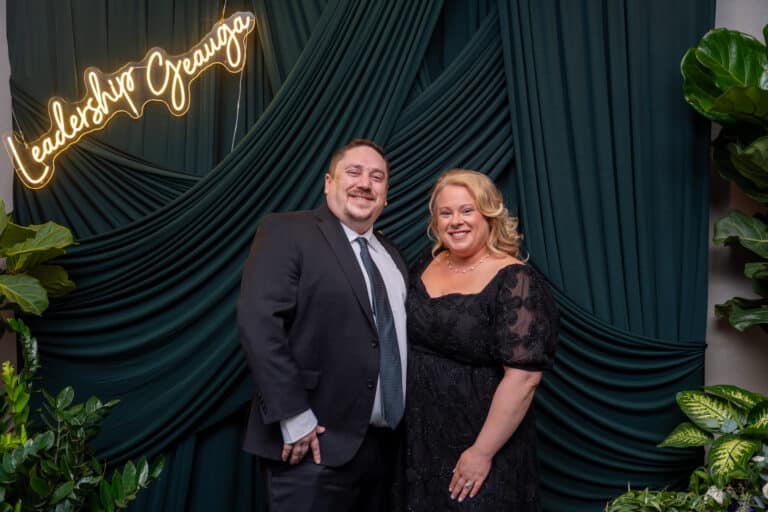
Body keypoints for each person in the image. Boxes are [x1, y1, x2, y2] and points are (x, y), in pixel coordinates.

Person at [237, 139, 408, 512]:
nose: (365, 184)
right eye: (354, 172)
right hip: (311, 444)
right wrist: (294, 417)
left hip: (383, 453)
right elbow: (260, 324)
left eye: (377, 177)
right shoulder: (287, 231)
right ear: (329, 183)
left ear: (385, 196)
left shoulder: (392, 255)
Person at [404, 169, 558, 511]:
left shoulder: (515, 279)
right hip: (420, 441)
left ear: (489, 214)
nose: (455, 221)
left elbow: (524, 379)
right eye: (445, 213)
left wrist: (482, 452)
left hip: (481, 442)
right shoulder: (425, 263)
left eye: (467, 210)